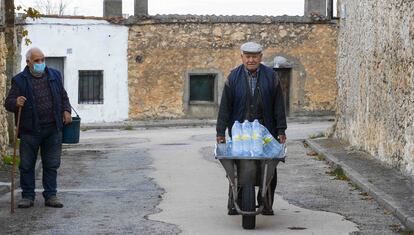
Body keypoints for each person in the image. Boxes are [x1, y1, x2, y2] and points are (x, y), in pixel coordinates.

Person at [216, 42, 287, 216]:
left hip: (266, 131)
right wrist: (220, 132)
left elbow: (279, 105)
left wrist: (281, 130)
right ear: (242, 57)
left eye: (254, 57)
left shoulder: (271, 77)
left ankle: (266, 202)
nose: (251, 60)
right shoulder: (233, 77)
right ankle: (234, 202)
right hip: (240, 132)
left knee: (268, 167)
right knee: (238, 167)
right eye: (247, 56)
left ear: (261, 57)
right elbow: (225, 106)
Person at [4, 47, 72, 208]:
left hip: (53, 128)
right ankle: (27, 196)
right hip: (30, 130)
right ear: (28, 63)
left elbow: (63, 96)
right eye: (37, 61)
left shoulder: (55, 75)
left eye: (42, 59)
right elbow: (8, 102)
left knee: (52, 164)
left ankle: (51, 196)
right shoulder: (19, 80)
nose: (41, 63)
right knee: (26, 165)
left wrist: (66, 110)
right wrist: (16, 102)